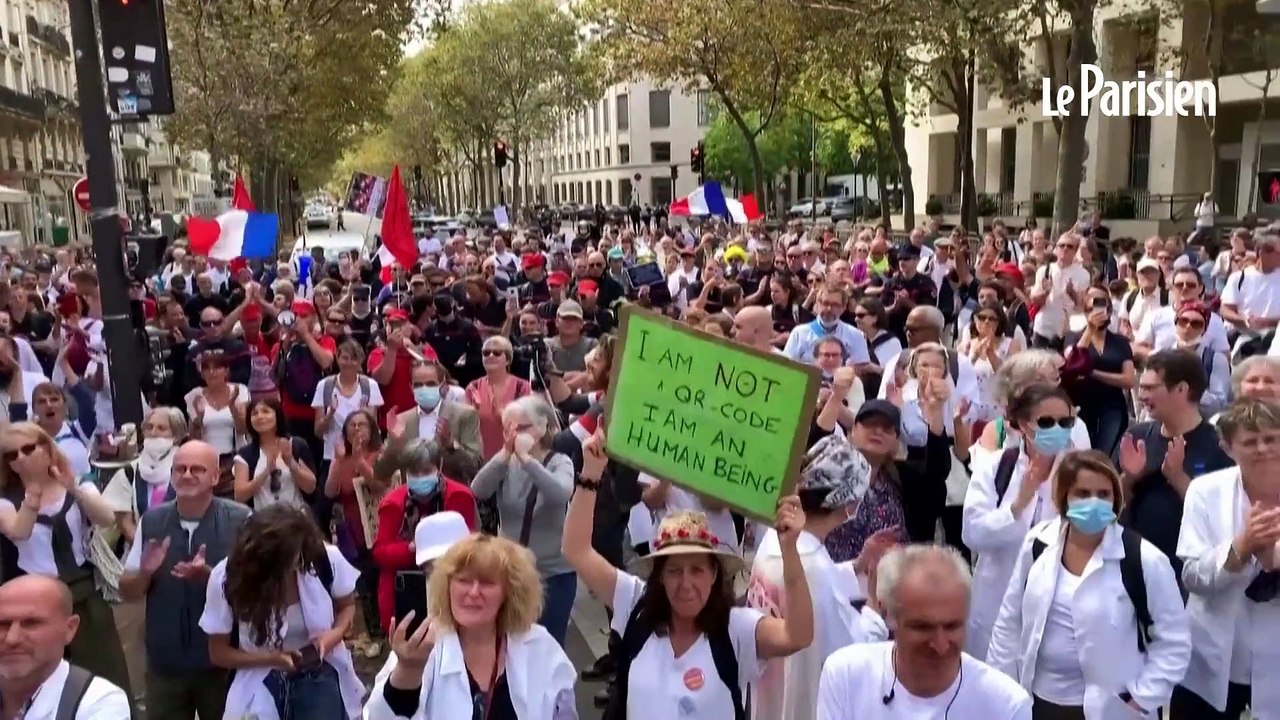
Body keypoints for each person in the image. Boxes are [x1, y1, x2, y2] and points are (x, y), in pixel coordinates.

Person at [562, 430, 815, 720]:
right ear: (659, 577)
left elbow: (798, 635)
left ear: (714, 574)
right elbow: (576, 550)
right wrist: (591, 473)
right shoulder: (635, 604)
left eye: (697, 569)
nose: (686, 583)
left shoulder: (737, 629)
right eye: (673, 571)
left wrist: (790, 550)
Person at [987, 450, 1191, 719]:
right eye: (1082, 494)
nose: (1094, 502)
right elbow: (1009, 621)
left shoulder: (1143, 560)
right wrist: (1002, 691)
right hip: (1038, 702)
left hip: (1111, 710)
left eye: (1103, 494)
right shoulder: (1038, 543)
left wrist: (1138, 702)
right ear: (1064, 498)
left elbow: (1174, 644)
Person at [747, 434, 887, 720]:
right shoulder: (812, 570)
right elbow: (851, 649)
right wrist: (874, 608)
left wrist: (856, 566)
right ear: (846, 503)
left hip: (768, 693)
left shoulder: (778, 540)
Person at [363, 533, 578, 719]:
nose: (473, 592)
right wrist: (408, 670)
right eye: (463, 580)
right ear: (447, 588)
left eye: (486, 582)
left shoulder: (540, 647)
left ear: (509, 593)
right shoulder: (425, 647)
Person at [817, 544, 1032, 719]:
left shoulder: (1007, 705)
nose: (940, 645)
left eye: (952, 626)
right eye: (922, 627)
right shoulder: (845, 675)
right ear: (886, 613)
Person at [119, 439, 250, 720]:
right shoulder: (152, 521)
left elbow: (256, 593)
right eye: (180, 469)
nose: (187, 475)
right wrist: (145, 572)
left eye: (197, 469)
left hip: (222, 662)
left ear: (215, 476)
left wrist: (211, 578)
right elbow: (128, 592)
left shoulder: (241, 520)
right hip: (165, 663)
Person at [0, 422, 130, 697]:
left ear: (46, 448)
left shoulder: (78, 482)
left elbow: (106, 518)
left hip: (82, 591)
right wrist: (32, 493)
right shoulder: (6, 501)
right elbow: (18, 532)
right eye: (12, 455)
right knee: (44, 680)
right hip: (35, 597)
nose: (20, 458)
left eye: (27, 449)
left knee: (105, 671)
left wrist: (73, 488)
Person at [202, 503, 366, 720]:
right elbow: (219, 654)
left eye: (295, 560)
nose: (293, 568)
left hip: (319, 671)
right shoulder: (226, 576)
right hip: (259, 678)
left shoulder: (323, 559)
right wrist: (272, 659)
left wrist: (334, 635)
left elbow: (347, 606)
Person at [1173, 398, 1280, 717]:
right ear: (1228, 447)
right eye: (1250, 441)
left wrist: (1273, 556)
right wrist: (1239, 550)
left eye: (1271, 438)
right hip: (1216, 654)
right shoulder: (1206, 491)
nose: (1263, 448)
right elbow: (1192, 575)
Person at [962, 383, 1075, 659]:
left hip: (1058, 604)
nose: (1057, 429)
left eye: (1066, 422)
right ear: (1024, 425)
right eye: (1047, 422)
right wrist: (1017, 505)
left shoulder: (1078, 471)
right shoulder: (997, 466)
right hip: (998, 598)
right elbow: (972, 534)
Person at [471, 395, 577, 646]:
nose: (516, 434)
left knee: (549, 644)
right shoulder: (506, 463)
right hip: (512, 570)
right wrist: (504, 454)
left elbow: (560, 492)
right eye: (509, 429)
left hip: (553, 572)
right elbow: (479, 489)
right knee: (512, 642)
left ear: (541, 428)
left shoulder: (559, 461)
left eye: (522, 428)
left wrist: (529, 462)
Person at [372, 437, 479, 633]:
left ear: (439, 466)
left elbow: (470, 544)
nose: (420, 477)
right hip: (406, 591)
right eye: (414, 472)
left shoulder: (459, 496)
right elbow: (380, 552)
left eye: (426, 471)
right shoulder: (393, 503)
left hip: (451, 584)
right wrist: (415, 548)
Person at [0, 575, 132, 719]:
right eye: (2, 624)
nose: (12, 639)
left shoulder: (98, 702)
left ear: (70, 629)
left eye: (31, 623)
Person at [232, 397, 318, 510]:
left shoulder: (296, 445)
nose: (260, 416)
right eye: (254, 413)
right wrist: (266, 472)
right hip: (262, 521)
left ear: (277, 415)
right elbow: (239, 496)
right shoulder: (245, 454)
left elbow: (310, 487)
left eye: (265, 411)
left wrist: (291, 463)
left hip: (296, 519)